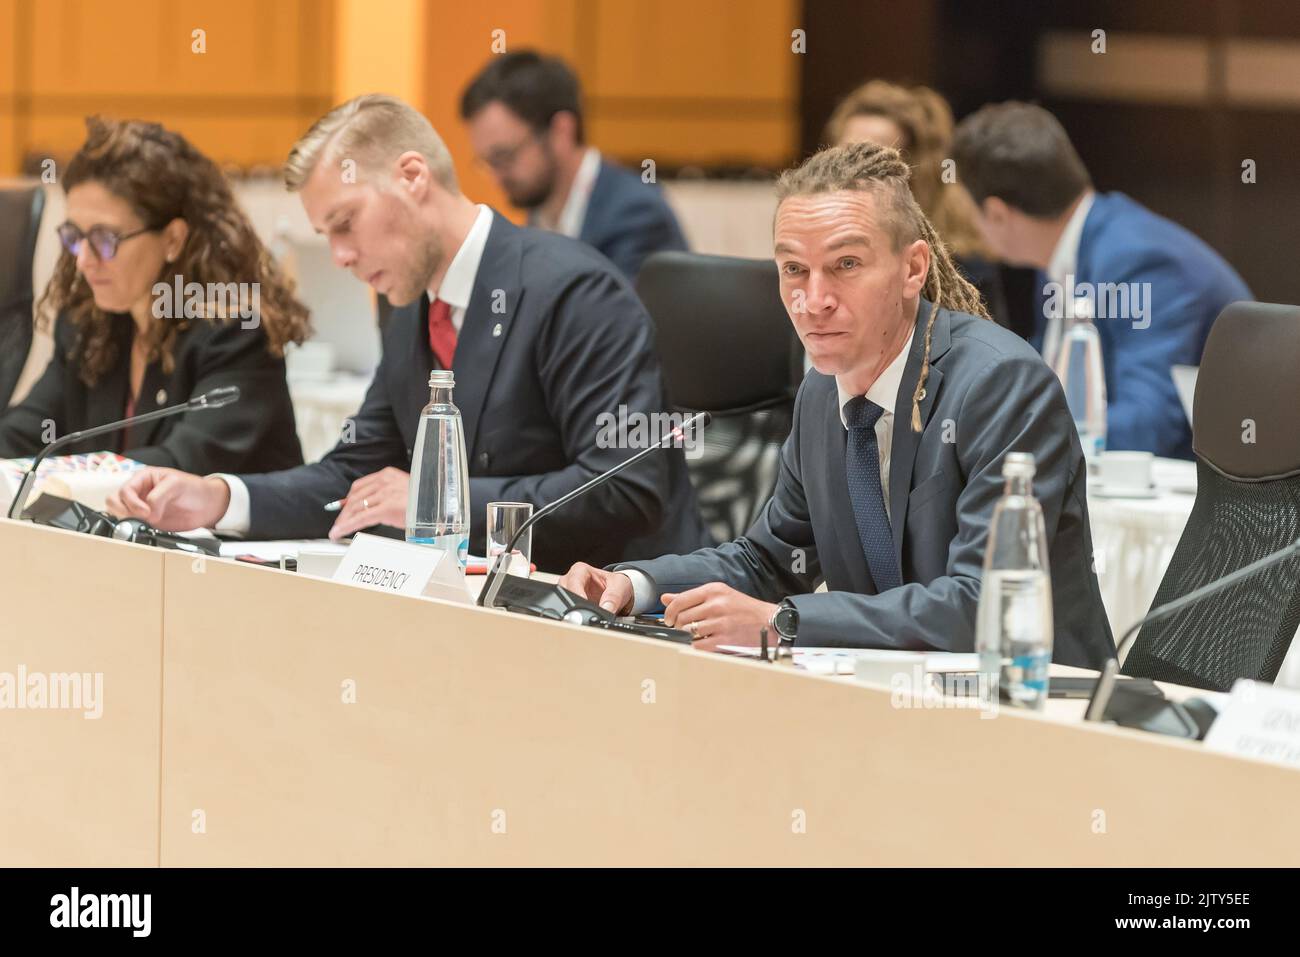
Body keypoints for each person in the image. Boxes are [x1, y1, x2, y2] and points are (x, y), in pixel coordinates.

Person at [558, 141, 1115, 668]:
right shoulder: (823, 391)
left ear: (912, 269)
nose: (813, 300)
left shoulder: (1002, 385)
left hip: (1039, 709)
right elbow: (770, 560)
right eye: (794, 269)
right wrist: (635, 584)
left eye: (846, 265)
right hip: (886, 700)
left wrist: (784, 622)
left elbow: (981, 604)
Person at [107, 94, 709, 572]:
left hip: (622, 613)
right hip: (483, 609)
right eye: (327, 236)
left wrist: (437, 501)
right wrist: (219, 497)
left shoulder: (577, 292)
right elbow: (354, 472)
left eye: (346, 224)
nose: (340, 256)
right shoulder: (406, 306)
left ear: (412, 175)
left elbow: (624, 488)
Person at [0, 117, 308, 473]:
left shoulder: (234, 332)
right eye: (74, 236)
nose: (83, 260)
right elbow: (22, 436)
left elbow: (178, 466)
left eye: (104, 239)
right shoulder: (89, 325)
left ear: (173, 239)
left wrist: (58, 476)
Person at [951, 101, 1252, 459]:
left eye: (970, 213)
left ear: (998, 213)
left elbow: (1148, 424)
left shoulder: (1138, 260)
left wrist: (1013, 441)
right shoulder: (1062, 252)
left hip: (1204, 498)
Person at [461, 50, 688, 282]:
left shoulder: (638, 215)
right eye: (487, 162)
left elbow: (617, 317)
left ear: (561, 130)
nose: (496, 178)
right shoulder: (541, 206)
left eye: (505, 156)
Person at [825, 80, 1008, 326]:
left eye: (873, 158)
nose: (854, 172)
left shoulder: (964, 265)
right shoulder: (815, 249)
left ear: (915, 172)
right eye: (845, 155)